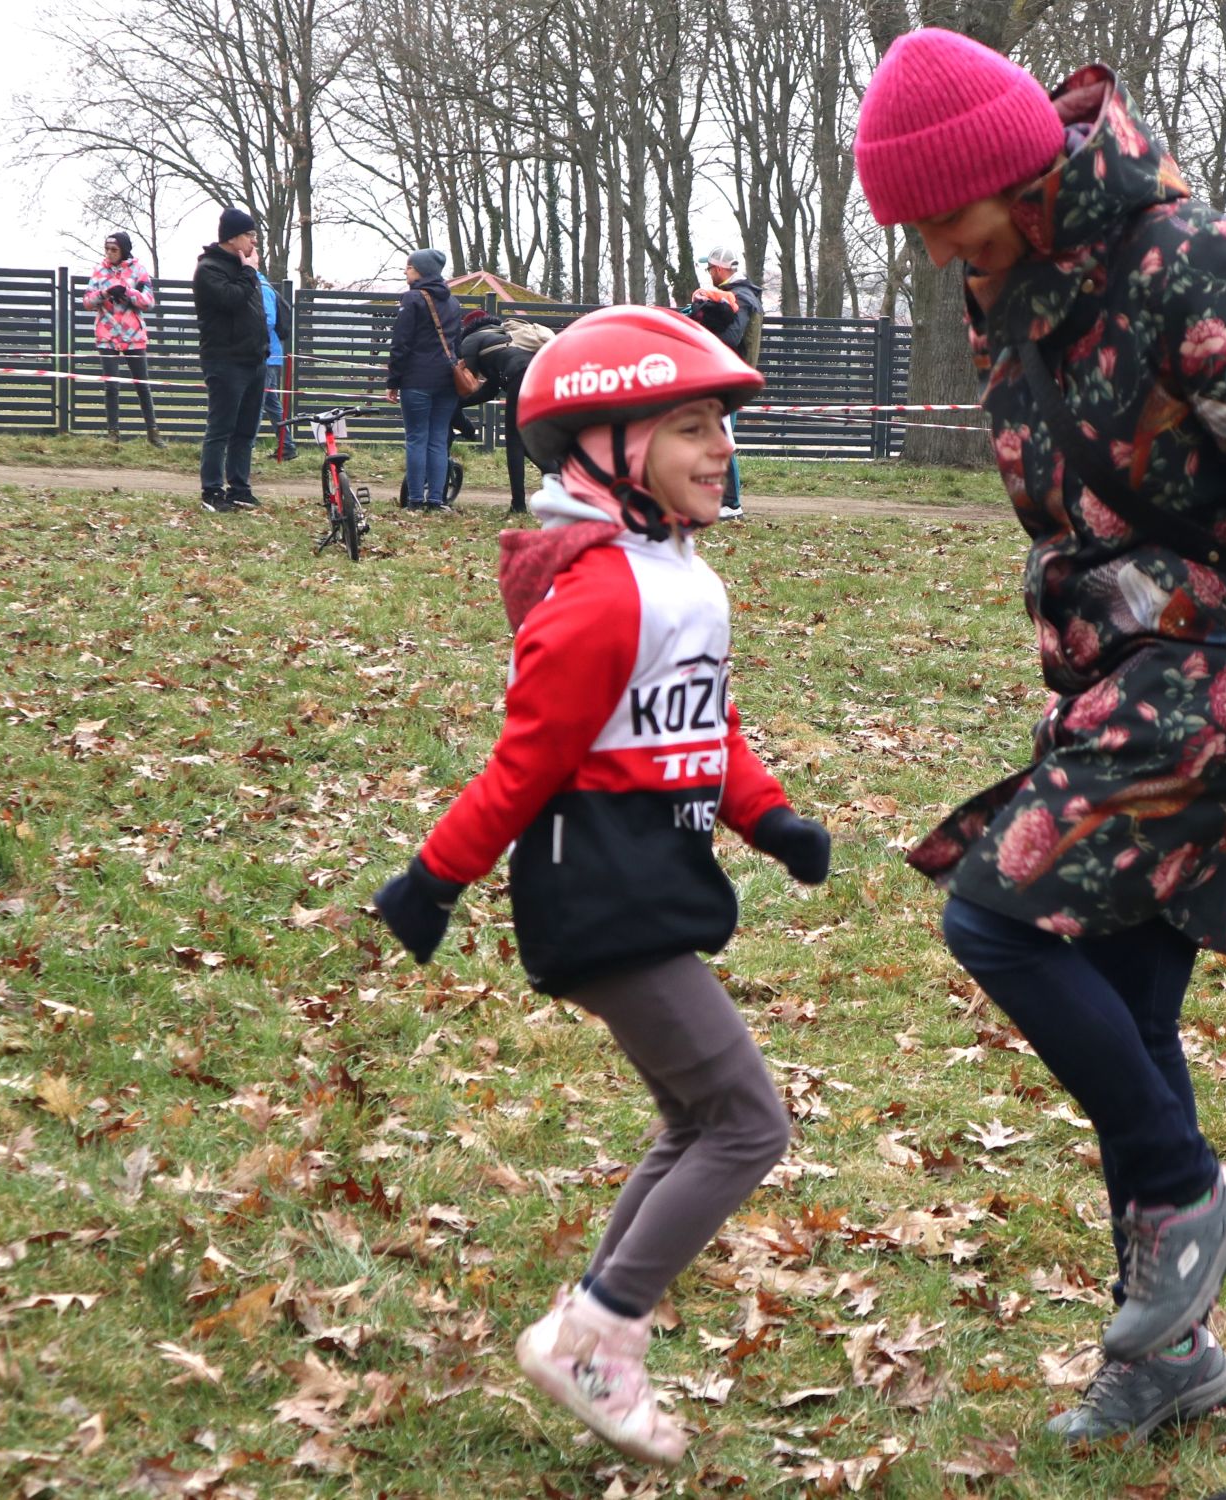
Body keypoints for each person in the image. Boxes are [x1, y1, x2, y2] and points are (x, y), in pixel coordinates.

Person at [855, 28, 1226, 1443]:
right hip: (1128, 666)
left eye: (943, 216)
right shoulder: (1014, 287)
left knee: (997, 917)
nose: (935, 250)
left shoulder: (1195, 269)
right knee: (1125, 1001)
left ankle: (1189, 1192)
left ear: (1013, 170)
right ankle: (1168, 1355)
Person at [370, 305, 832, 1464]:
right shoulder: (601, 594)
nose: (721, 448)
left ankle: (589, 1323)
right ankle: (598, 1334)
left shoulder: (677, 576)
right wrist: (433, 880)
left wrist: (770, 817)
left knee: (696, 1118)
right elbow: (526, 764)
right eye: (691, 427)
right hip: (599, 890)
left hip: (652, 871)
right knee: (747, 1123)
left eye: (721, 424)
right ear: (609, 447)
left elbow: (704, 720)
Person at [192, 209, 270, 512]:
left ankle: (240, 489)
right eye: (250, 235)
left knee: (246, 431)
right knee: (220, 429)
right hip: (225, 361)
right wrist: (250, 272)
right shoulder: (209, 269)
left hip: (254, 360)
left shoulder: (245, 269)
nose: (254, 241)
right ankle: (212, 491)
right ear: (233, 238)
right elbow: (231, 299)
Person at [680, 247, 762, 518]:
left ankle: (731, 504)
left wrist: (699, 334)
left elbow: (731, 338)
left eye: (709, 269)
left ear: (718, 269)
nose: (709, 274)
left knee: (721, 439)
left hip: (730, 379)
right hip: (729, 376)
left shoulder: (741, 297)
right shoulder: (741, 294)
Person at [385, 248, 463, 510]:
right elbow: (457, 344)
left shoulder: (412, 299)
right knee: (438, 440)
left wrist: (393, 381)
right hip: (447, 381)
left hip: (416, 379)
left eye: (409, 267)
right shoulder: (453, 303)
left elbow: (400, 344)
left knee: (417, 438)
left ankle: (416, 500)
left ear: (421, 270)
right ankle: (436, 500)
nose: (405, 271)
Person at [453, 309, 553, 513]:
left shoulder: (472, 340)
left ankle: (518, 505)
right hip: (546, 378)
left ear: (468, 328)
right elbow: (490, 390)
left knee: (514, 441)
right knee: (530, 437)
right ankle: (555, 471)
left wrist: (454, 404)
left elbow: (466, 383)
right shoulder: (507, 336)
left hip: (521, 376)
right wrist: (460, 404)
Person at [83, 231, 163, 447]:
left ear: (124, 250)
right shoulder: (99, 271)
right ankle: (113, 434)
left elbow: (149, 302)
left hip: (133, 335)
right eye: (107, 249)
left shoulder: (139, 270)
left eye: (114, 250)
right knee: (111, 385)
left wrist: (128, 292)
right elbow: (87, 301)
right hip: (107, 334)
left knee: (142, 384)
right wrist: (105, 293)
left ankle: (153, 433)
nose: (109, 253)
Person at [248, 250, 296, 460]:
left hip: (266, 355)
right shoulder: (261, 285)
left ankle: (244, 450)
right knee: (271, 403)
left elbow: (267, 320)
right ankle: (287, 446)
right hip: (271, 355)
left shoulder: (261, 287)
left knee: (255, 403)